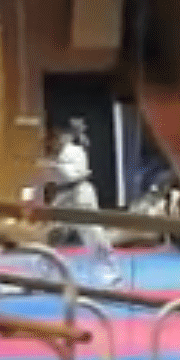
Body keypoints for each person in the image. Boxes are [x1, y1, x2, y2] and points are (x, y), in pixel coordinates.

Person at [36, 122, 121, 286]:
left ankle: (109, 271)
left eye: (57, 137)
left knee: (93, 233)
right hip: (62, 194)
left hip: (80, 192)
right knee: (54, 233)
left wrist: (53, 166)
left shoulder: (75, 151)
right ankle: (45, 271)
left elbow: (72, 175)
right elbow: (45, 179)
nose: (54, 141)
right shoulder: (48, 152)